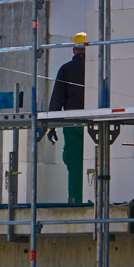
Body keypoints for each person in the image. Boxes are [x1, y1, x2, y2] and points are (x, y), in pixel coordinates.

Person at [46, 33, 87, 204]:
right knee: (98, 162)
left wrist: (51, 126)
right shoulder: (98, 67)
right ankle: (97, 200)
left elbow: (57, 99)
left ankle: (76, 202)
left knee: (75, 164)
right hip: (96, 121)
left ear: (74, 50)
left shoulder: (66, 69)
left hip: (73, 122)